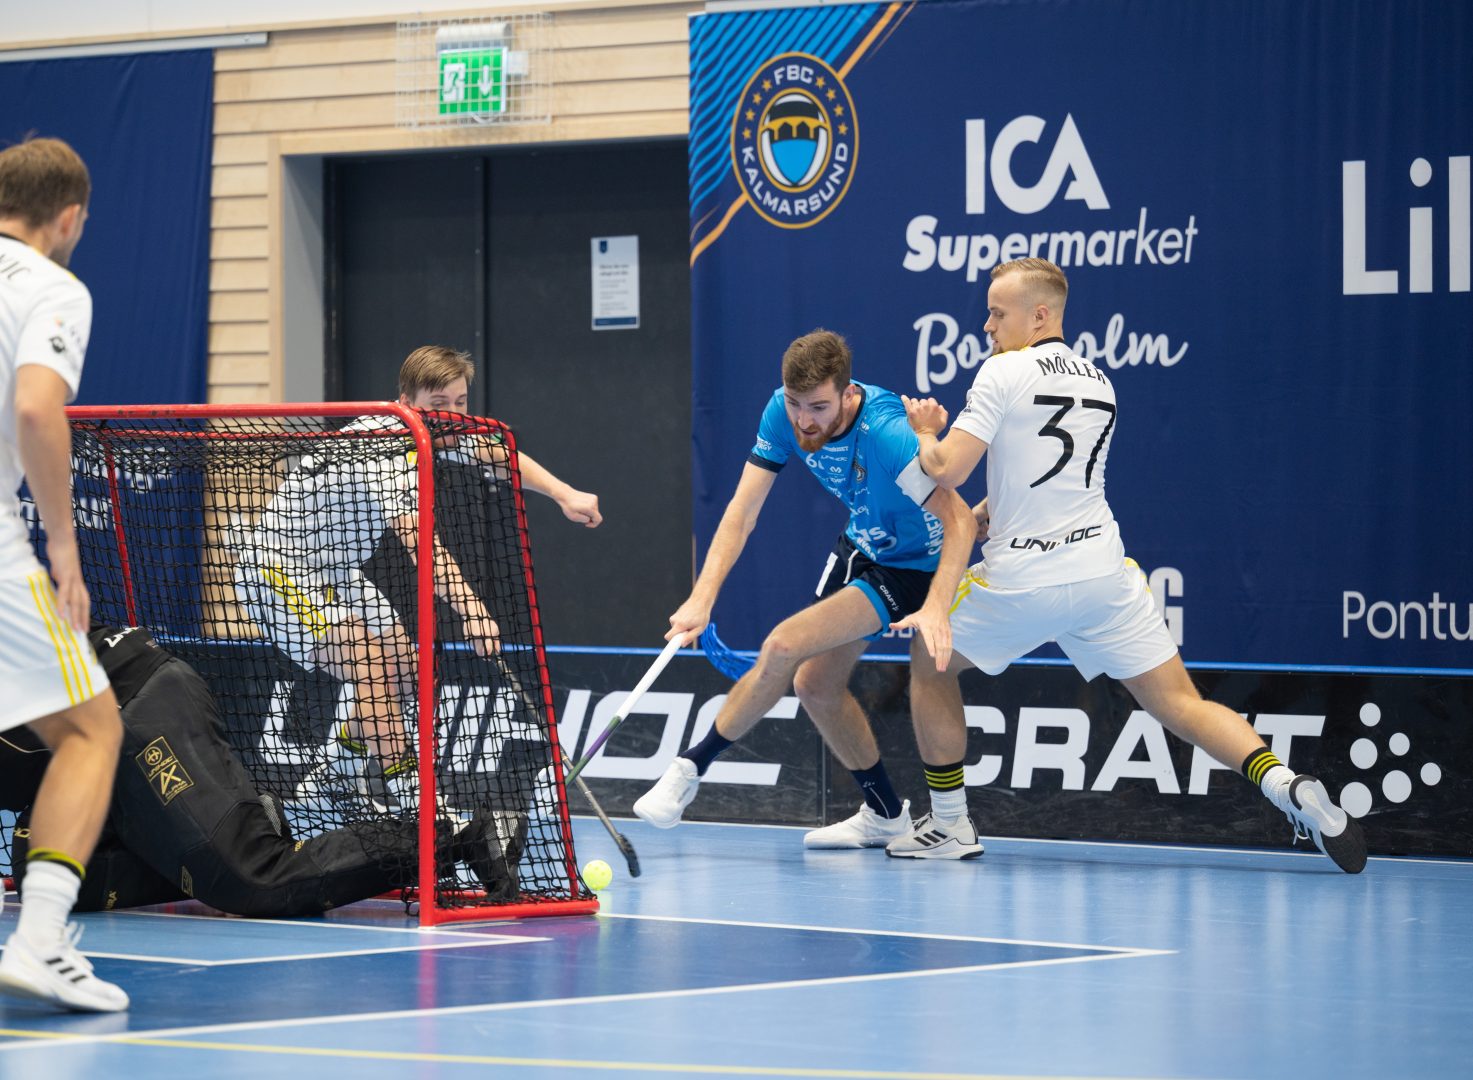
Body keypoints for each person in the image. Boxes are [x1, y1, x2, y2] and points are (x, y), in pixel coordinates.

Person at [888, 257, 1367, 872]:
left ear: (1040, 316)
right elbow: (1051, 476)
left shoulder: (1001, 371)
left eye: (997, 313)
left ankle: (951, 823)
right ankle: (1289, 788)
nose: (987, 325)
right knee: (1181, 703)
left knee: (930, 660)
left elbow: (948, 469)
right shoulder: (1100, 382)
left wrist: (925, 431)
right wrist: (990, 512)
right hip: (1101, 575)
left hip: (1024, 579)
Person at [633, 329, 975, 847]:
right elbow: (742, 511)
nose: (804, 421)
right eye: (795, 404)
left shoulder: (887, 433)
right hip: (862, 545)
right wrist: (702, 598)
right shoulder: (781, 411)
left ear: (848, 394)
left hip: (913, 567)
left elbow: (959, 520)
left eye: (818, 407)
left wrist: (936, 605)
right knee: (814, 685)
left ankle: (689, 770)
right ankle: (885, 814)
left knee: (782, 646)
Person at [235, 345, 601, 811]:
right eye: (438, 403)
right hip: (278, 567)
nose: (452, 414)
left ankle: (335, 776)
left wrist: (564, 494)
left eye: (460, 401)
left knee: (409, 670)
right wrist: (473, 612)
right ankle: (413, 796)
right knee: (368, 660)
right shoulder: (380, 445)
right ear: (407, 401)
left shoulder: (436, 429)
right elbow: (421, 544)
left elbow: (494, 452)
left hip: (337, 571)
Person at [0, 625, 524, 917]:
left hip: (129, 701)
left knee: (253, 881)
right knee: (54, 880)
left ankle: (459, 834)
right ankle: (243, 823)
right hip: (86, 763)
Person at [0, 136, 130, 1012]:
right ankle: (41, 939)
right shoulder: (51, 286)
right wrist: (63, 545)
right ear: (71, 217)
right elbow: (37, 408)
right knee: (91, 728)